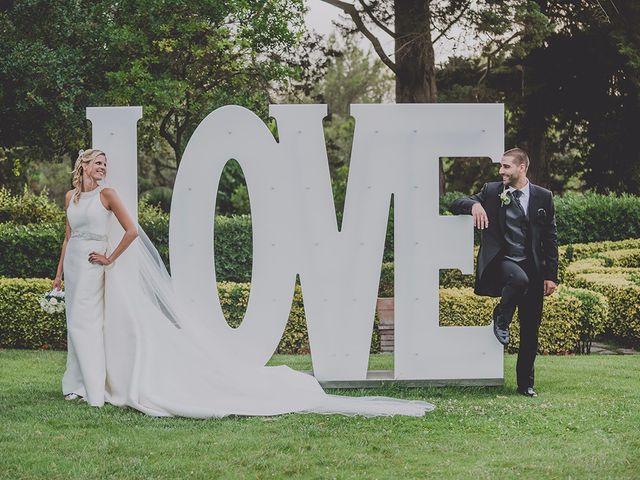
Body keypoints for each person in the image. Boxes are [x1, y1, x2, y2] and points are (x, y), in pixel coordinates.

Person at [53, 149, 434, 417]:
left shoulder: (108, 194)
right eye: (98, 163)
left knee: (94, 325)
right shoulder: (71, 196)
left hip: (99, 267)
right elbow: (68, 237)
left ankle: (95, 393)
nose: (103, 168)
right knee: (79, 325)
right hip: (74, 267)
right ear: (83, 164)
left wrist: (110, 257)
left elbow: (132, 230)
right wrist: (58, 276)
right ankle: (79, 383)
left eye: (106, 163)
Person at [450, 148, 559, 397]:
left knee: (531, 329)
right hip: (504, 263)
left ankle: (525, 384)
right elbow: (456, 203)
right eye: (500, 166)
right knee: (517, 278)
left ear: (522, 168)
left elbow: (551, 238)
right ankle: (501, 315)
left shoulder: (543, 197)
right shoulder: (491, 191)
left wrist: (551, 275)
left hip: (533, 269)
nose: (501, 171)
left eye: (506, 166)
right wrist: (475, 205)